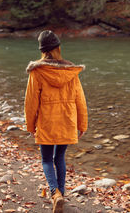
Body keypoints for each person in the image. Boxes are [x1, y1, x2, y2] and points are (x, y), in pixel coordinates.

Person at [24, 30, 88, 213]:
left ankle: (55, 194)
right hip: (67, 121)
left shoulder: (37, 72)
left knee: (46, 159)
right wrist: (82, 124)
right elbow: (80, 100)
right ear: (58, 48)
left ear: (42, 51)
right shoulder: (71, 71)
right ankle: (62, 194)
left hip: (47, 122)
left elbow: (30, 102)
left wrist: (30, 125)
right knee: (59, 157)